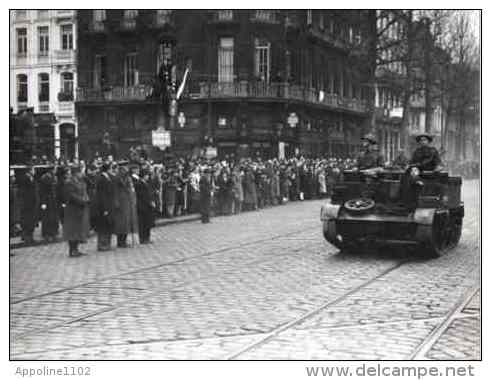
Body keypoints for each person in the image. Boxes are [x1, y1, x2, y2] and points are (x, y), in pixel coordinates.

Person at [63, 164, 90, 257]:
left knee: (79, 229)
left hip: (81, 208)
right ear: (76, 173)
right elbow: (71, 195)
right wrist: (81, 200)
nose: (82, 174)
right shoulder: (69, 182)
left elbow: (85, 191)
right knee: (72, 230)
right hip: (73, 208)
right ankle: (72, 250)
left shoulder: (81, 181)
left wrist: (86, 199)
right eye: (81, 172)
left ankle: (76, 249)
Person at [112, 165, 138, 248]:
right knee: (121, 223)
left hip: (127, 201)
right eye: (124, 169)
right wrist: (116, 202)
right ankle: (121, 241)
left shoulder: (127, 178)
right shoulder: (117, 178)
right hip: (121, 202)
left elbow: (131, 189)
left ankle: (124, 240)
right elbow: (115, 190)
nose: (126, 171)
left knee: (127, 222)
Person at [95, 163, 115, 251]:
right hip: (103, 206)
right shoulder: (101, 179)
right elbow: (102, 195)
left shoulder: (107, 178)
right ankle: (102, 244)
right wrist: (105, 208)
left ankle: (107, 243)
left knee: (108, 225)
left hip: (109, 204)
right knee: (103, 225)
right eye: (111, 168)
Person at [17, 166, 38, 244]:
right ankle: (27, 237)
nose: (34, 171)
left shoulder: (31, 178)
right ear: (30, 170)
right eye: (33, 170)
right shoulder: (25, 179)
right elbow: (24, 192)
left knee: (31, 221)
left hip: (31, 204)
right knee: (27, 221)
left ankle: (30, 237)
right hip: (27, 204)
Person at [38, 166, 59, 242]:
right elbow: (43, 191)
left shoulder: (53, 177)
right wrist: (43, 202)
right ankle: (47, 234)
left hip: (52, 200)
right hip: (47, 200)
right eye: (54, 169)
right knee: (47, 217)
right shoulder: (45, 178)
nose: (55, 171)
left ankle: (53, 233)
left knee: (53, 217)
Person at [135, 168, 155, 244]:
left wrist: (152, 201)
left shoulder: (146, 183)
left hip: (148, 206)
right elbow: (142, 196)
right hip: (142, 206)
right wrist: (149, 202)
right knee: (143, 224)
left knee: (148, 223)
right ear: (143, 176)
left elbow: (149, 194)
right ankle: (143, 238)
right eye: (146, 175)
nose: (148, 177)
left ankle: (147, 237)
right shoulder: (139, 184)